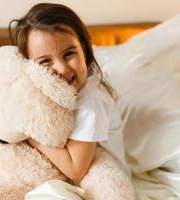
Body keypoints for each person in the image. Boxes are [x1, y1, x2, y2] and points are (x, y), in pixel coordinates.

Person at [8, 3, 131, 185]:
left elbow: (76, 170)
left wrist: (30, 135)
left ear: (84, 49)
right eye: (45, 62)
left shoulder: (91, 102)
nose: (62, 68)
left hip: (104, 183)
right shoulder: (43, 92)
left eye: (69, 54)